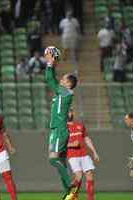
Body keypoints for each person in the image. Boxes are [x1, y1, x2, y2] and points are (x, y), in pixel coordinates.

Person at [44, 47, 78, 200]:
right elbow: (53, 81)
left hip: (59, 130)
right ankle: (71, 195)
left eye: (64, 79)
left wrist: (51, 63)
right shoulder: (62, 94)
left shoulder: (65, 92)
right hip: (57, 129)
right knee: (61, 164)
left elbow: (50, 80)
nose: (61, 80)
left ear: (69, 84)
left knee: (53, 159)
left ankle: (71, 182)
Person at [66, 109, 99, 200]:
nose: (69, 114)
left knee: (90, 177)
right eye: (67, 112)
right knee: (79, 177)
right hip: (73, 155)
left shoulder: (80, 125)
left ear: (73, 113)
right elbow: (60, 143)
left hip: (84, 154)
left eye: (70, 112)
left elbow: (87, 139)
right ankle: (72, 196)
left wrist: (94, 152)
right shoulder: (63, 128)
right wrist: (72, 144)